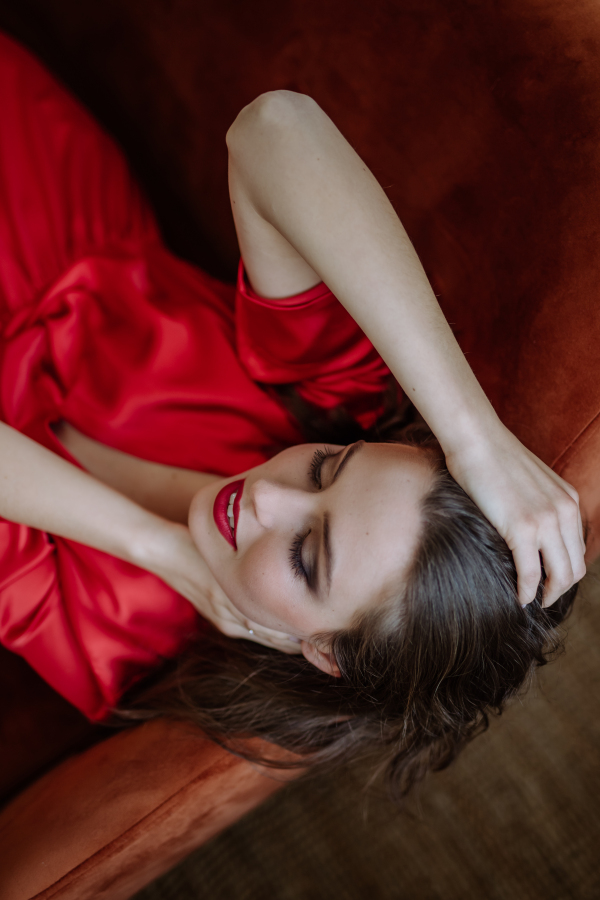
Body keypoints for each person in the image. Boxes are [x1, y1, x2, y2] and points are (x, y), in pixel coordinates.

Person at [0, 33, 585, 796]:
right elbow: (276, 128)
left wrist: (158, 547)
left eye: (308, 554)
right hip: (35, 183)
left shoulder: (118, 641)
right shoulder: (323, 403)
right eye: (324, 471)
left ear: (323, 652)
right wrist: (472, 436)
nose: (268, 495)